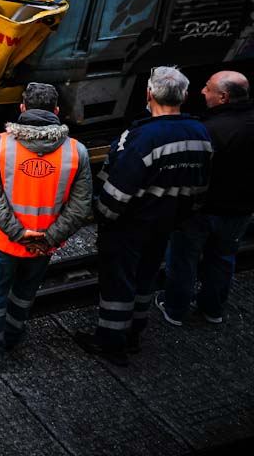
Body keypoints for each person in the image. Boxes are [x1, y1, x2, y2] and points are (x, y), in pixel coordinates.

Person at [73, 66, 211, 365]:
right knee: (146, 279)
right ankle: (135, 333)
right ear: (184, 96)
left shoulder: (142, 138)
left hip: (129, 226)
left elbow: (118, 192)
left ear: (149, 94)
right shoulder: (200, 133)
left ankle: (111, 342)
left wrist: (104, 218)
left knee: (118, 285)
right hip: (165, 224)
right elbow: (200, 189)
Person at [0, 82, 92, 372]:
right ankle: (12, 335)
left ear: (22, 109)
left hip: (5, 242)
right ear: (57, 112)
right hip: (43, 246)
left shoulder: (2, 145)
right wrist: (47, 237)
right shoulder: (76, 152)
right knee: (24, 293)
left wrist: (19, 234)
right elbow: (80, 207)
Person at [157, 70, 254, 325]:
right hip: (240, 209)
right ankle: (213, 309)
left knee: (183, 259)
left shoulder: (206, 130)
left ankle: (175, 309)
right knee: (223, 258)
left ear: (222, 97)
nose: (202, 91)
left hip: (202, 208)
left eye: (207, 87)